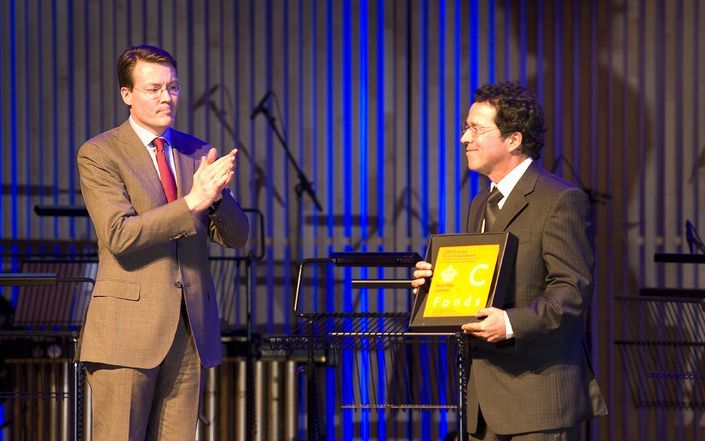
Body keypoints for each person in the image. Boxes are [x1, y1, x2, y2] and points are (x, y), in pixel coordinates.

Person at [412, 81, 607, 441]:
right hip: (482, 403)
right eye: (465, 127)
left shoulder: (560, 200)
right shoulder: (479, 203)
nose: (464, 139)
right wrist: (437, 286)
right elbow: (484, 285)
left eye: (476, 129)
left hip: (535, 399)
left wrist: (511, 323)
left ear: (513, 139)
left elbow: (572, 291)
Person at [76, 44, 249, 440]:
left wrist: (217, 196)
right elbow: (120, 234)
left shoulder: (197, 152)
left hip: (189, 331)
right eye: (153, 89)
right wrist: (192, 202)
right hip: (126, 333)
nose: (166, 97)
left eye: (172, 87)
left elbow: (237, 237)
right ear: (127, 95)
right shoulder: (100, 153)